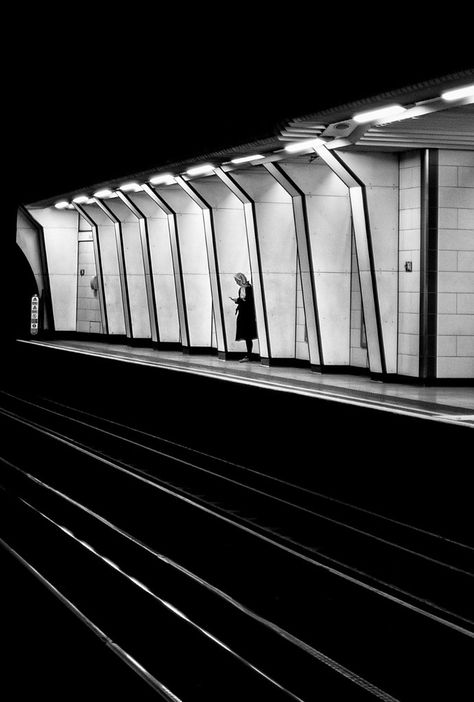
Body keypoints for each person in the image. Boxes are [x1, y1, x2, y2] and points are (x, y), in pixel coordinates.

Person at [230, 272, 258, 362]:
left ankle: (249, 355)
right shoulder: (241, 289)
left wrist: (238, 300)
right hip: (243, 313)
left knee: (248, 335)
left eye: (237, 280)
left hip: (248, 314)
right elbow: (243, 301)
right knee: (246, 335)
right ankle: (248, 354)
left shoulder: (249, 289)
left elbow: (249, 302)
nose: (236, 282)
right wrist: (238, 300)